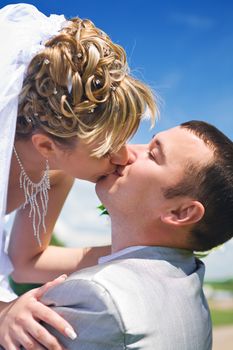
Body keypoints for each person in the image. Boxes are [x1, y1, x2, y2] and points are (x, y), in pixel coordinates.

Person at [0, 3, 156, 349]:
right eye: (105, 149)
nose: (125, 157)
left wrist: (146, 250)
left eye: (124, 140)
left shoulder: (55, 172)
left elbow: (27, 262)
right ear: (46, 145)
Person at [38, 120, 233, 349]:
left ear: (181, 212)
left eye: (152, 154)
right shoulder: (192, 289)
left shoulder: (99, 296)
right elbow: (26, 261)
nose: (126, 152)